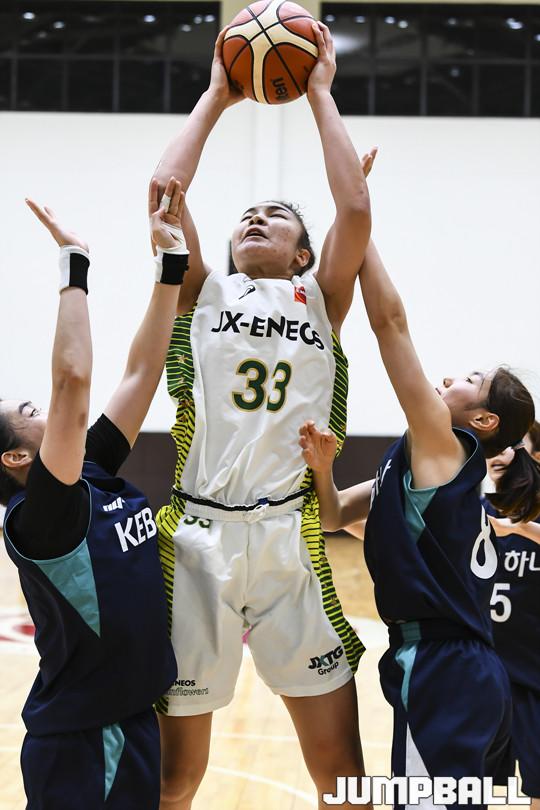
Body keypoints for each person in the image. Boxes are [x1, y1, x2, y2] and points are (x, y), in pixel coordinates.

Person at [152, 23, 375, 810]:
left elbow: (355, 205)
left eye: (276, 216)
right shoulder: (200, 291)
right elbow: (166, 193)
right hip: (199, 540)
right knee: (175, 779)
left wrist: (319, 92)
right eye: (247, 213)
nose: (255, 218)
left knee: (342, 775)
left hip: (288, 537)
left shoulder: (320, 299)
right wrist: (218, 95)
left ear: (303, 254)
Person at [299, 239, 539, 796]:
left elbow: (390, 326)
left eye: (470, 381)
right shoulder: (412, 465)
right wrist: (323, 471)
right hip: (447, 663)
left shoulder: (447, 449)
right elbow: (334, 515)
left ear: (482, 420)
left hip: (445, 663)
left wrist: (359, 231)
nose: (450, 378)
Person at [1, 177, 187, 809]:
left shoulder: (91, 469)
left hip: (128, 721)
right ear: (17, 458)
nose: (46, 408)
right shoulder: (42, 515)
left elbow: (143, 372)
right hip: (84, 741)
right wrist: (73, 264)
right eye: (30, 412)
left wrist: (170, 267)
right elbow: (73, 382)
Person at [484, 423, 540, 808]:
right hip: (485, 674)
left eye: (512, 444)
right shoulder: (475, 511)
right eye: (493, 446)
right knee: (472, 786)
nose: (500, 453)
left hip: (534, 675)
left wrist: (520, 528)